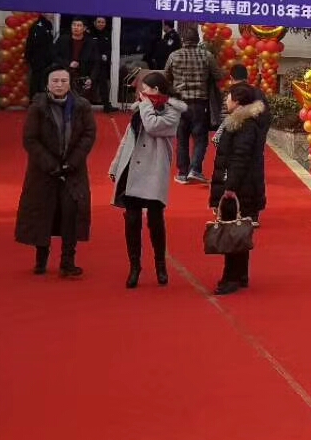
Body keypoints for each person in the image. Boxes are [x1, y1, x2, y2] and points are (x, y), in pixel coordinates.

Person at [16, 66, 97, 279]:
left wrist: (72, 162)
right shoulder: (38, 107)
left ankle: (68, 261)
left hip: (73, 170)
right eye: (55, 81)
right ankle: (41, 258)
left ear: (69, 83)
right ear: (47, 84)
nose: (59, 85)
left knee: (71, 212)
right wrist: (51, 165)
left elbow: (88, 135)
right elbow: (30, 139)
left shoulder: (81, 106)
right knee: (43, 212)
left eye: (63, 81)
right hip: (44, 171)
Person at [109, 71, 186, 289]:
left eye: (146, 89)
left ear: (157, 90)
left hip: (154, 170)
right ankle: (134, 266)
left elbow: (153, 126)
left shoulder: (171, 111)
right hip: (132, 169)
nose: (142, 93)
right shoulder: (140, 110)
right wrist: (115, 165)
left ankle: (160, 264)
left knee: (155, 219)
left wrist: (144, 106)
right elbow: (127, 138)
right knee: (132, 220)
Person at [209, 83, 269, 296]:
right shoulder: (243, 121)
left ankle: (231, 276)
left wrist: (230, 186)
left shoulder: (244, 125)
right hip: (244, 185)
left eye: (229, 97)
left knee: (232, 232)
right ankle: (240, 274)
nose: (226, 100)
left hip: (239, 187)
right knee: (239, 230)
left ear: (237, 101)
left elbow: (240, 157)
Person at [166, 25, 224, 184]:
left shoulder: (174, 56)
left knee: (182, 138)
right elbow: (218, 75)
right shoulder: (207, 56)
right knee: (200, 138)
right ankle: (195, 169)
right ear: (198, 40)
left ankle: (182, 173)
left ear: (183, 40)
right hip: (199, 103)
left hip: (179, 103)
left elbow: (166, 76)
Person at [53, 19, 100, 100]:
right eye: (74, 25)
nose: (76, 27)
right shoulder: (63, 39)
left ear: (84, 28)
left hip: (83, 77)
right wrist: (68, 63)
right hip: (64, 75)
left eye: (79, 25)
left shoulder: (91, 43)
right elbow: (54, 56)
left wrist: (91, 78)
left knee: (80, 102)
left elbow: (96, 62)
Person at [24, 14, 56, 99]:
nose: (52, 14)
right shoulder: (37, 26)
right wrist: (29, 58)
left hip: (47, 61)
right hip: (38, 60)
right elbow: (33, 43)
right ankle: (34, 100)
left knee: (44, 82)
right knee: (37, 82)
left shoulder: (48, 24)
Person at [90, 16, 116, 112]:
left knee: (103, 85)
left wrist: (106, 55)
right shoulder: (90, 34)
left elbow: (111, 48)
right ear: (94, 23)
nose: (101, 24)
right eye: (99, 22)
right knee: (89, 84)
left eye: (103, 22)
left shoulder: (108, 34)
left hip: (102, 64)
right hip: (91, 64)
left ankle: (106, 106)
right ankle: (86, 105)